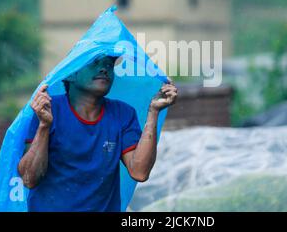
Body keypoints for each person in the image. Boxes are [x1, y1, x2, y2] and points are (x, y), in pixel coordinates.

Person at [18, 54, 177, 211]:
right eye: (94, 63)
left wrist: (153, 111)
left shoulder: (123, 114)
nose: (104, 69)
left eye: (109, 65)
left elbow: (140, 172)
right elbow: (29, 178)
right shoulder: (48, 109)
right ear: (71, 74)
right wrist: (44, 126)